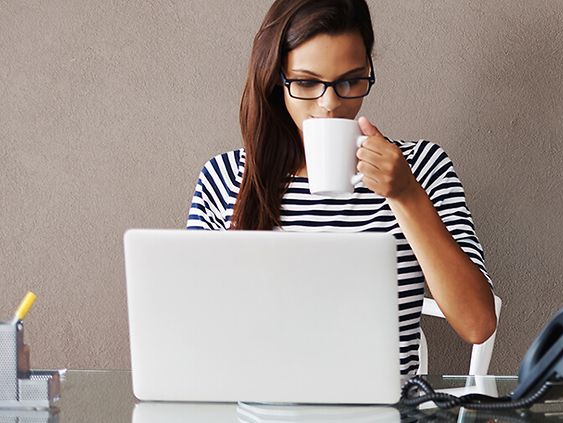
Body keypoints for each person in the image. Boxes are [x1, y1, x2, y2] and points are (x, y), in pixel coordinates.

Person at [185, 0, 496, 375]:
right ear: (276, 78)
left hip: (385, 404)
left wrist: (406, 195)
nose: (329, 104)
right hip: (256, 400)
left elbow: (477, 324)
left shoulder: (421, 168)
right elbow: (193, 331)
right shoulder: (225, 178)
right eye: (306, 82)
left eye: (350, 81)